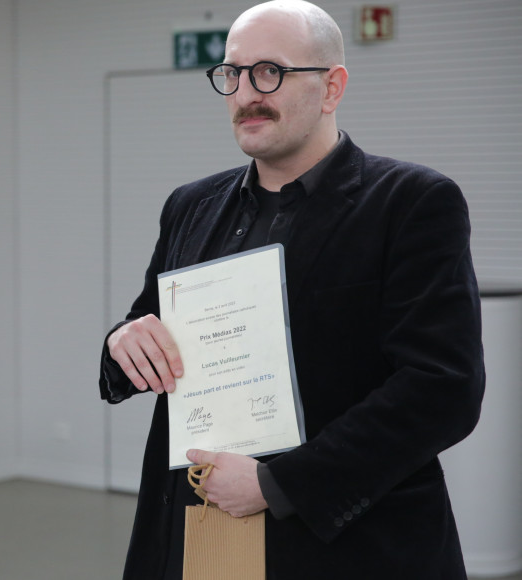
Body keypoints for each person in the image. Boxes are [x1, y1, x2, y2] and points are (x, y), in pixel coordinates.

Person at [99, 2, 484, 578]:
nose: (246, 93)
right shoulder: (191, 206)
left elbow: (442, 389)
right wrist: (123, 343)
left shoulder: (411, 202)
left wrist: (277, 484)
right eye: (231, 73)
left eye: (270, 72)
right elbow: (146, 326)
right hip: (195, 524)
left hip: (345, 543)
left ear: (331, 87)